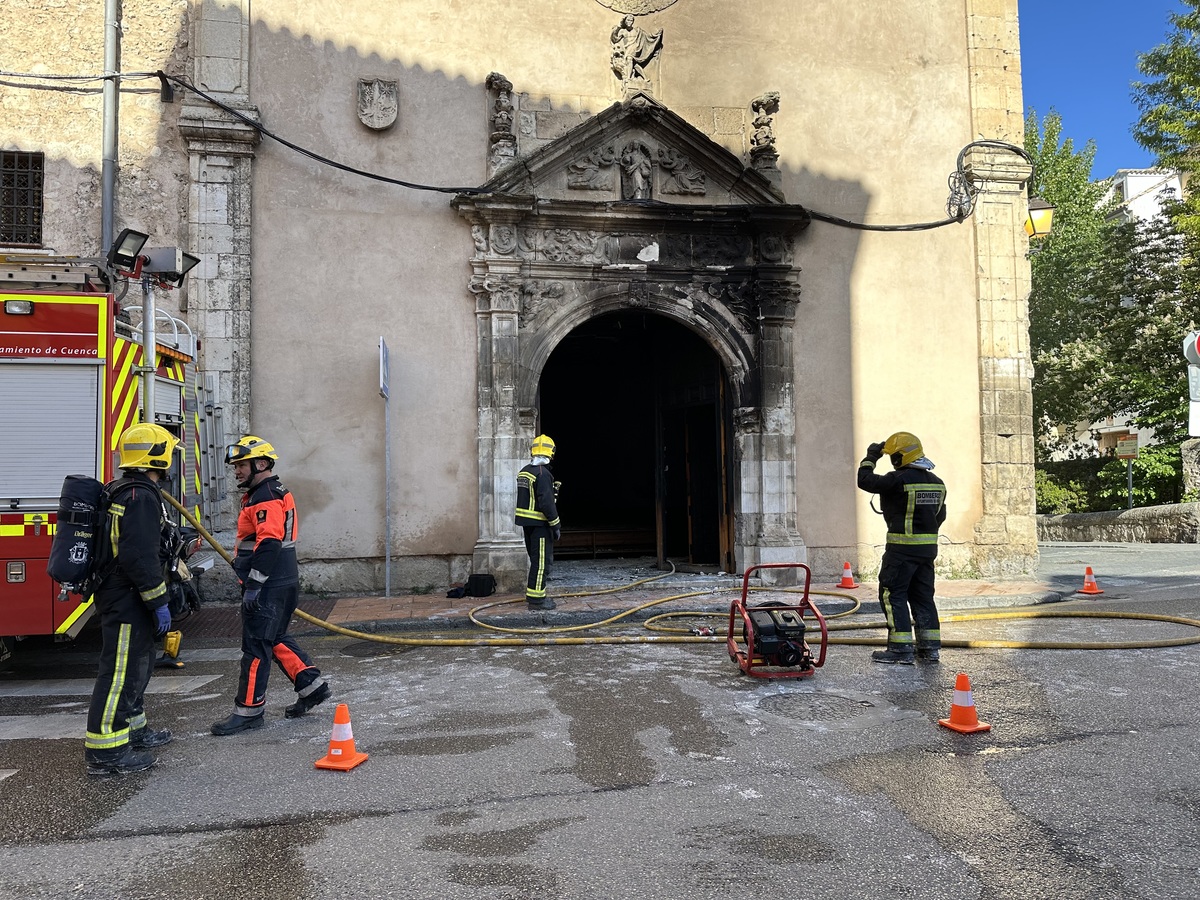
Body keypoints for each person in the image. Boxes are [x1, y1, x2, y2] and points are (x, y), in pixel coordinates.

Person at [211, 435, 329, 735]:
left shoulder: (264, 496)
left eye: (241, 465)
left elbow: (270, 541)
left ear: (260, 464)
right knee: (274, 636)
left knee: (255, 646)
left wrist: (254, 583)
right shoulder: (267, 491)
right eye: (235, 466)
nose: (236, 471)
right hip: (281, 579)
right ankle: (311, 686)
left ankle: (249, 711)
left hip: (269, 582)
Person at [84, 422, 179, 775]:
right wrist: (158, 601)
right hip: (127, 597)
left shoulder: (125, 489)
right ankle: (105, 749)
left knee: (138, 663)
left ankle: (134, 728)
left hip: (124, 594)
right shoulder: (139, 497)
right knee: (119, 669)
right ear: (159, 456)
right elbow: (138, 556)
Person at [856, 431, 947, 665]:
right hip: (927, 552)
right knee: (923, 596)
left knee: (892, 593)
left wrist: (871, 456)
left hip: (901, 550)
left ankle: (900, 648)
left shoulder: (898, 479)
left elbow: (864, 480)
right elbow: (941, 515)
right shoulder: (938, 483)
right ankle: (930, 648)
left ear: (899, 457)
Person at [515, 434, 561, 610]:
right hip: (541, 525)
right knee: (541, 563)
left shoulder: (525, 471)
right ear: (551, 452)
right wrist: (556, 525)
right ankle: (537, 601)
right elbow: (546, 503)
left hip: (527, 525)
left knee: (535, 561)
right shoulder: (543, 474)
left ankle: (535, 597)